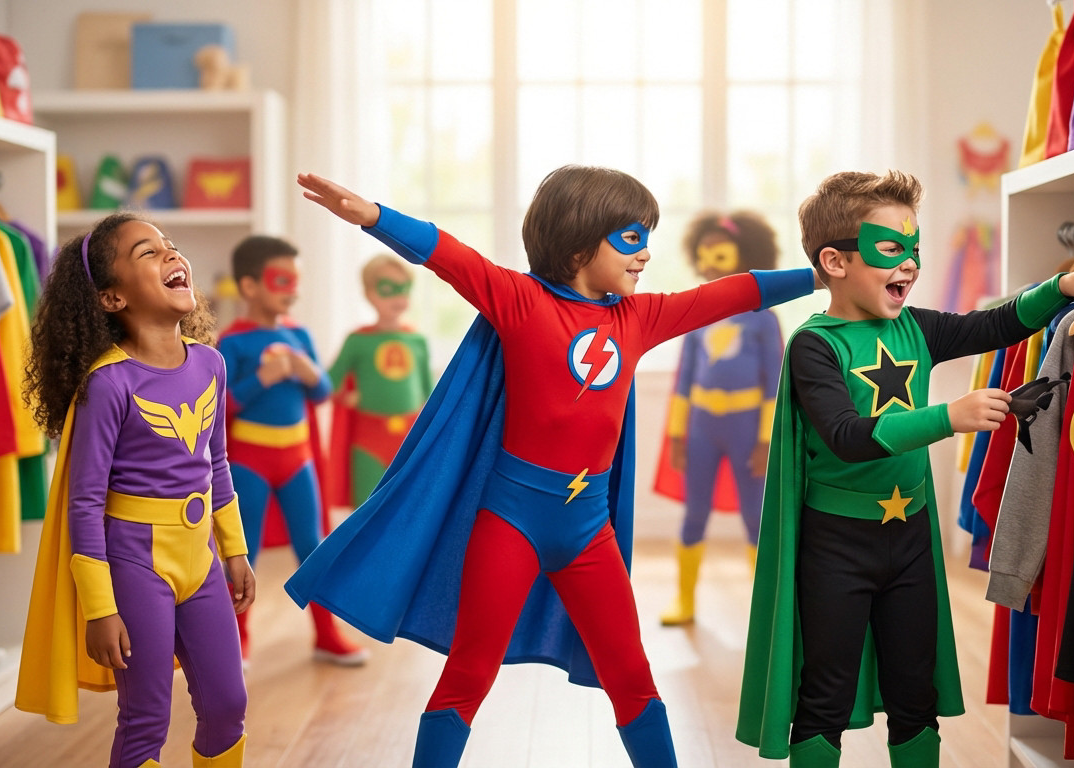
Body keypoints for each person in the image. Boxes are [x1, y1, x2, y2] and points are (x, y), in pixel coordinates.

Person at [286, 166, 817, 768]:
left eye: (647, 237)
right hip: (510, 520)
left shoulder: (639, 318)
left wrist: (819, 274)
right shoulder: (520, 301)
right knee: (468, 675)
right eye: (630, 238)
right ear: (577, 243)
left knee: (632, 676)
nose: (645, 253)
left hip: (589, 531)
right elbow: (448, 253)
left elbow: (732, 293)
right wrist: (374, 215)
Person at [735, 170, 1074, 768]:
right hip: (835, 546)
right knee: (825, 697)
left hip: (909, 540)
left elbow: (991, 325)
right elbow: (845, 436)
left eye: (915, 249)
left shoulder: (916, 328)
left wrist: (1059, 287)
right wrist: (949, 416)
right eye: (891, 249)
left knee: (916, 696)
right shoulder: (815, 345)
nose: (910, 264)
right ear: (835, 262)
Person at [15, 212, 253, 768]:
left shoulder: (212, 365)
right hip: (133, 562)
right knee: (147, 714)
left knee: (228, 701)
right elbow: (85, 502)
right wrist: (99, 608)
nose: (171, 255)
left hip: (201, 559)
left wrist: (235, 550)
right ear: (111, 299)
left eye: (171, 246)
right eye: (147, 252)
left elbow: (216, 463)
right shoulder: (109, 382)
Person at [217, 235, 369, 666]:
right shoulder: (233, 342)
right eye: (281, 279)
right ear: (249, 286)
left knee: (314, 545)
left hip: (297, 459)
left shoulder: (299, 333)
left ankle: (326, 634)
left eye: (295, 280)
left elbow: (323, 390)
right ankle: (237, 638)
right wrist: (261, 378)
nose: (292, 289)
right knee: (241, 550)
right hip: (250, 460)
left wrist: (305, 369)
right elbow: (219, 406)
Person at [653, 210, 783, 626]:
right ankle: (684, 599)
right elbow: (684, 381)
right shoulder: (697, 313)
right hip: (701, 429)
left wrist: (767, 440)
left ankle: (766, 608)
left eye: (720, 252)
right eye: (705, 253)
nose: (710, 260)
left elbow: (775, 385)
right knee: (694, 512)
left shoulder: (764, 317)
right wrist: (676, 434)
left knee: (755, 516)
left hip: (748, 429)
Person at [325, 254, 432, 509]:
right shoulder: (358, 341)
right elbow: (327, 384)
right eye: (388, 288)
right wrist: (346, 398)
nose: (398, 296)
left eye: (404, 288)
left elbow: (430, 393)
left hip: (409, 437)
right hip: (367, 440)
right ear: (370, 293)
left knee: (410, 506)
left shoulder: (417, 341)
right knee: (366, 508)